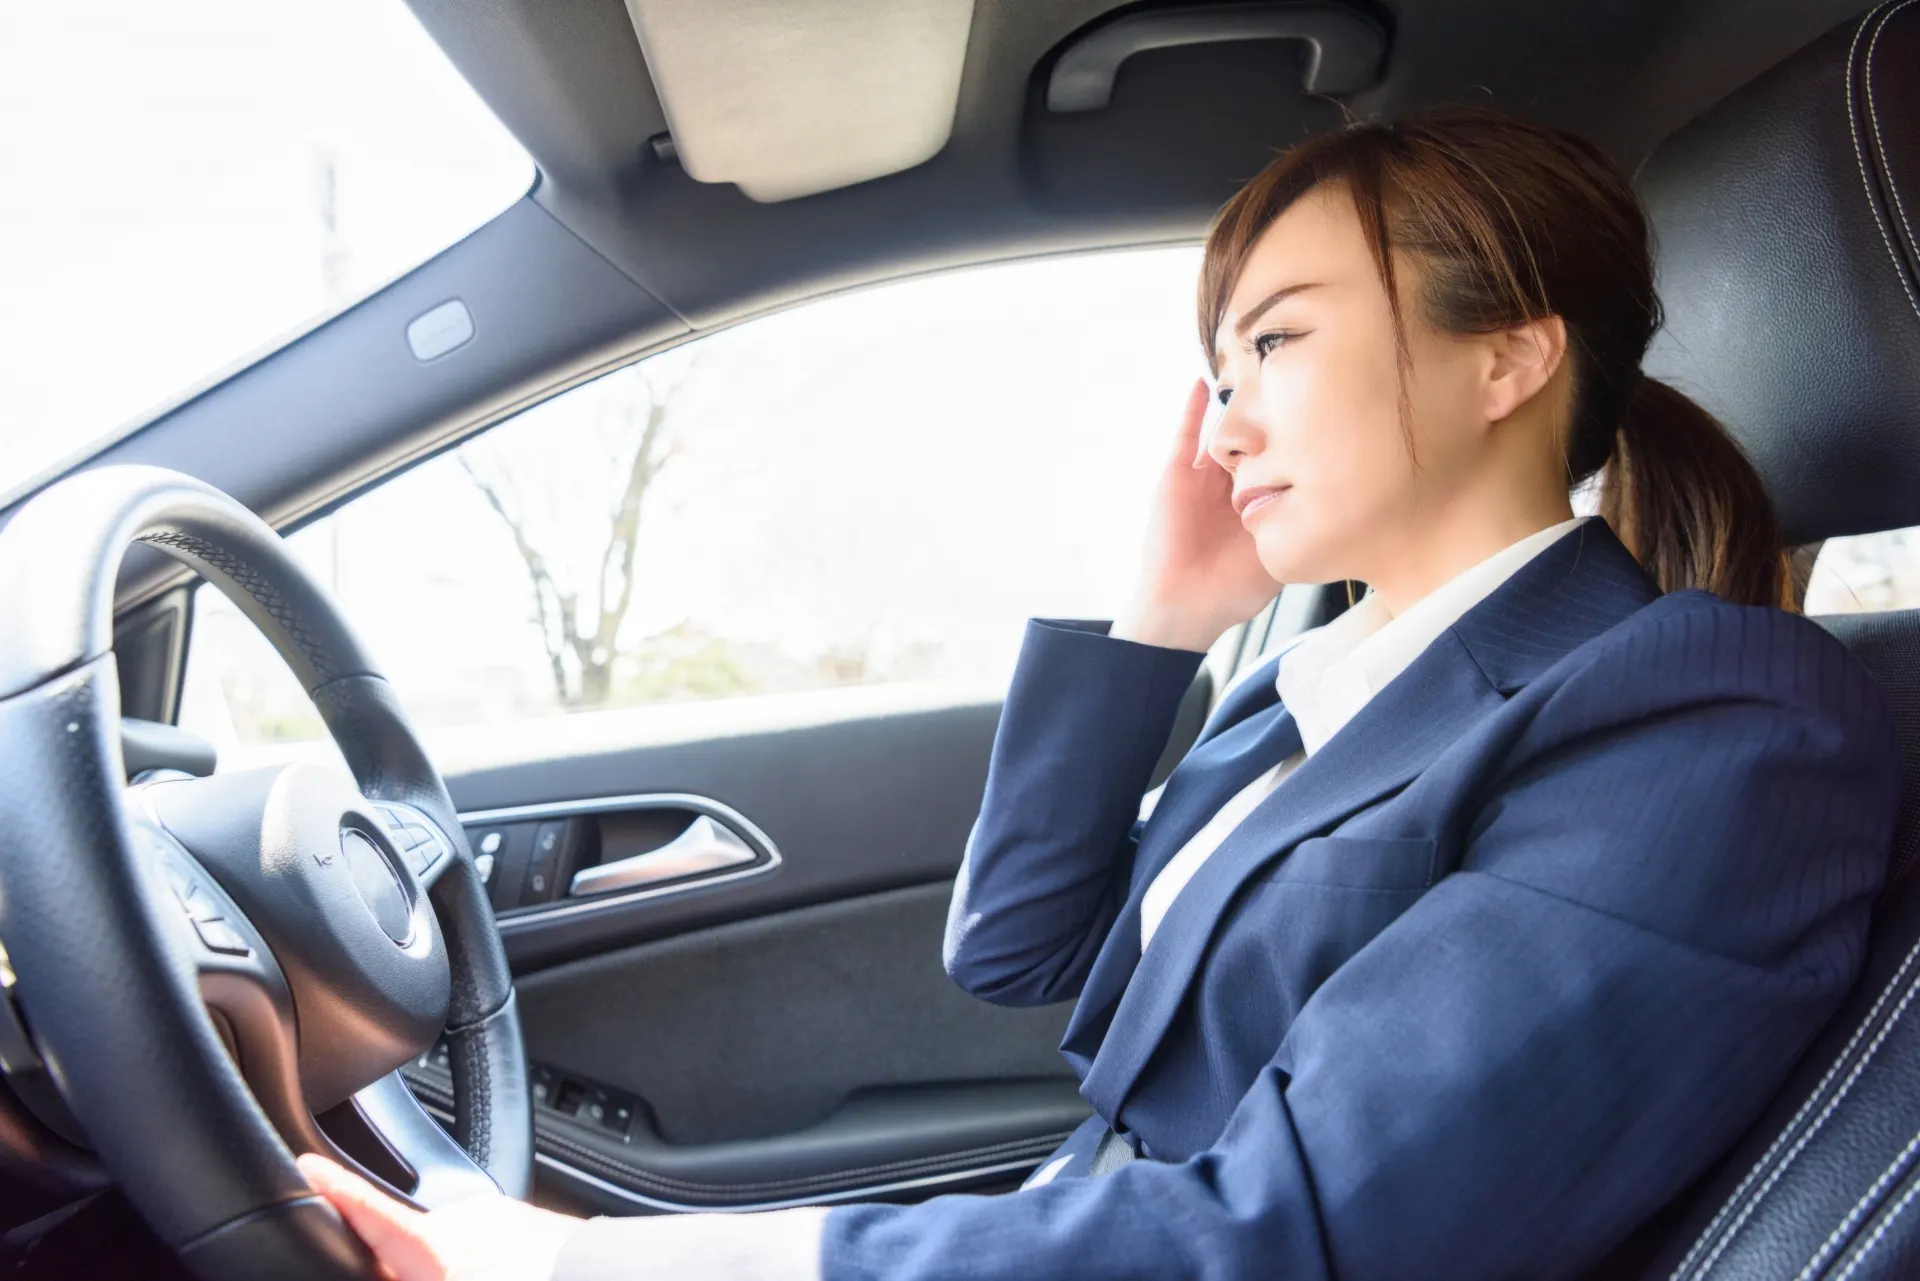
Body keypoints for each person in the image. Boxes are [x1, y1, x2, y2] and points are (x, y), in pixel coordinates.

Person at [298, 107, 1901, 1280]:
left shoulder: (1709, 716)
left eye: (1279, 341)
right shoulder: (1319, 685)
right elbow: (1023, 950)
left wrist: (580, 1266)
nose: (1223, 425)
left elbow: (1292, 1235)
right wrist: (1164, 623)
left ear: (1509, 359)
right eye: (1221, 369)